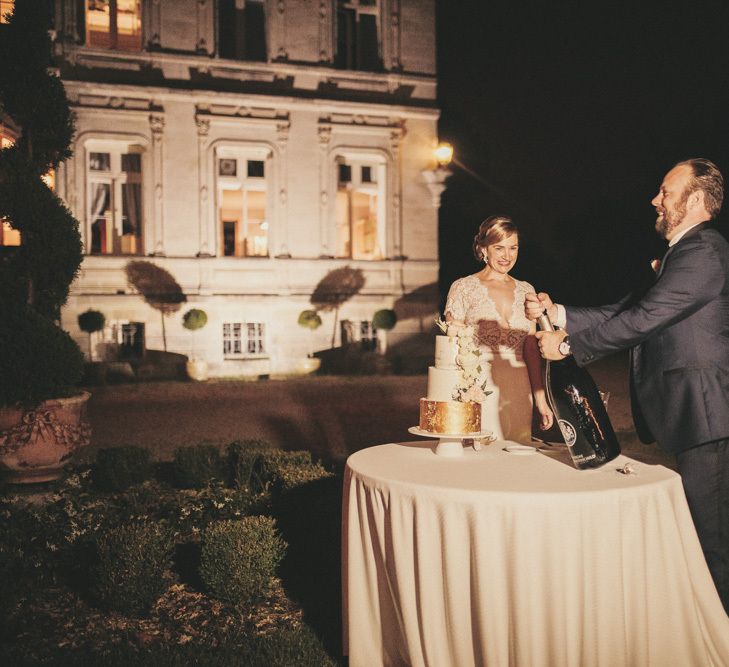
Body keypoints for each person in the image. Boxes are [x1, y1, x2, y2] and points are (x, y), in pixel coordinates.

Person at [525, 158, 729, 612]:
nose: (655, 200)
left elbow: (645, 319)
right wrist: (558, 314)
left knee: (710, 540)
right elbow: (624, 309)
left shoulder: (704, 252)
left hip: (707, 412)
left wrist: (566, 348)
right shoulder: (682, 253)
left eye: (666, 192)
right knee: (697, 535)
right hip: (690, 413)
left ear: (695, 199)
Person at [445, 215, 553, 443]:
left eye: (513, 248)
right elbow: (450, 350)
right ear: (483, 248)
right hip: (476, 389)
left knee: (516, 459)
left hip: (518, 390)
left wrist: (540, 398)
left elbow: (531, 350)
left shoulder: (527, 290)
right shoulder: (463, 288)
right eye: (499, 248)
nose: (507, 256)